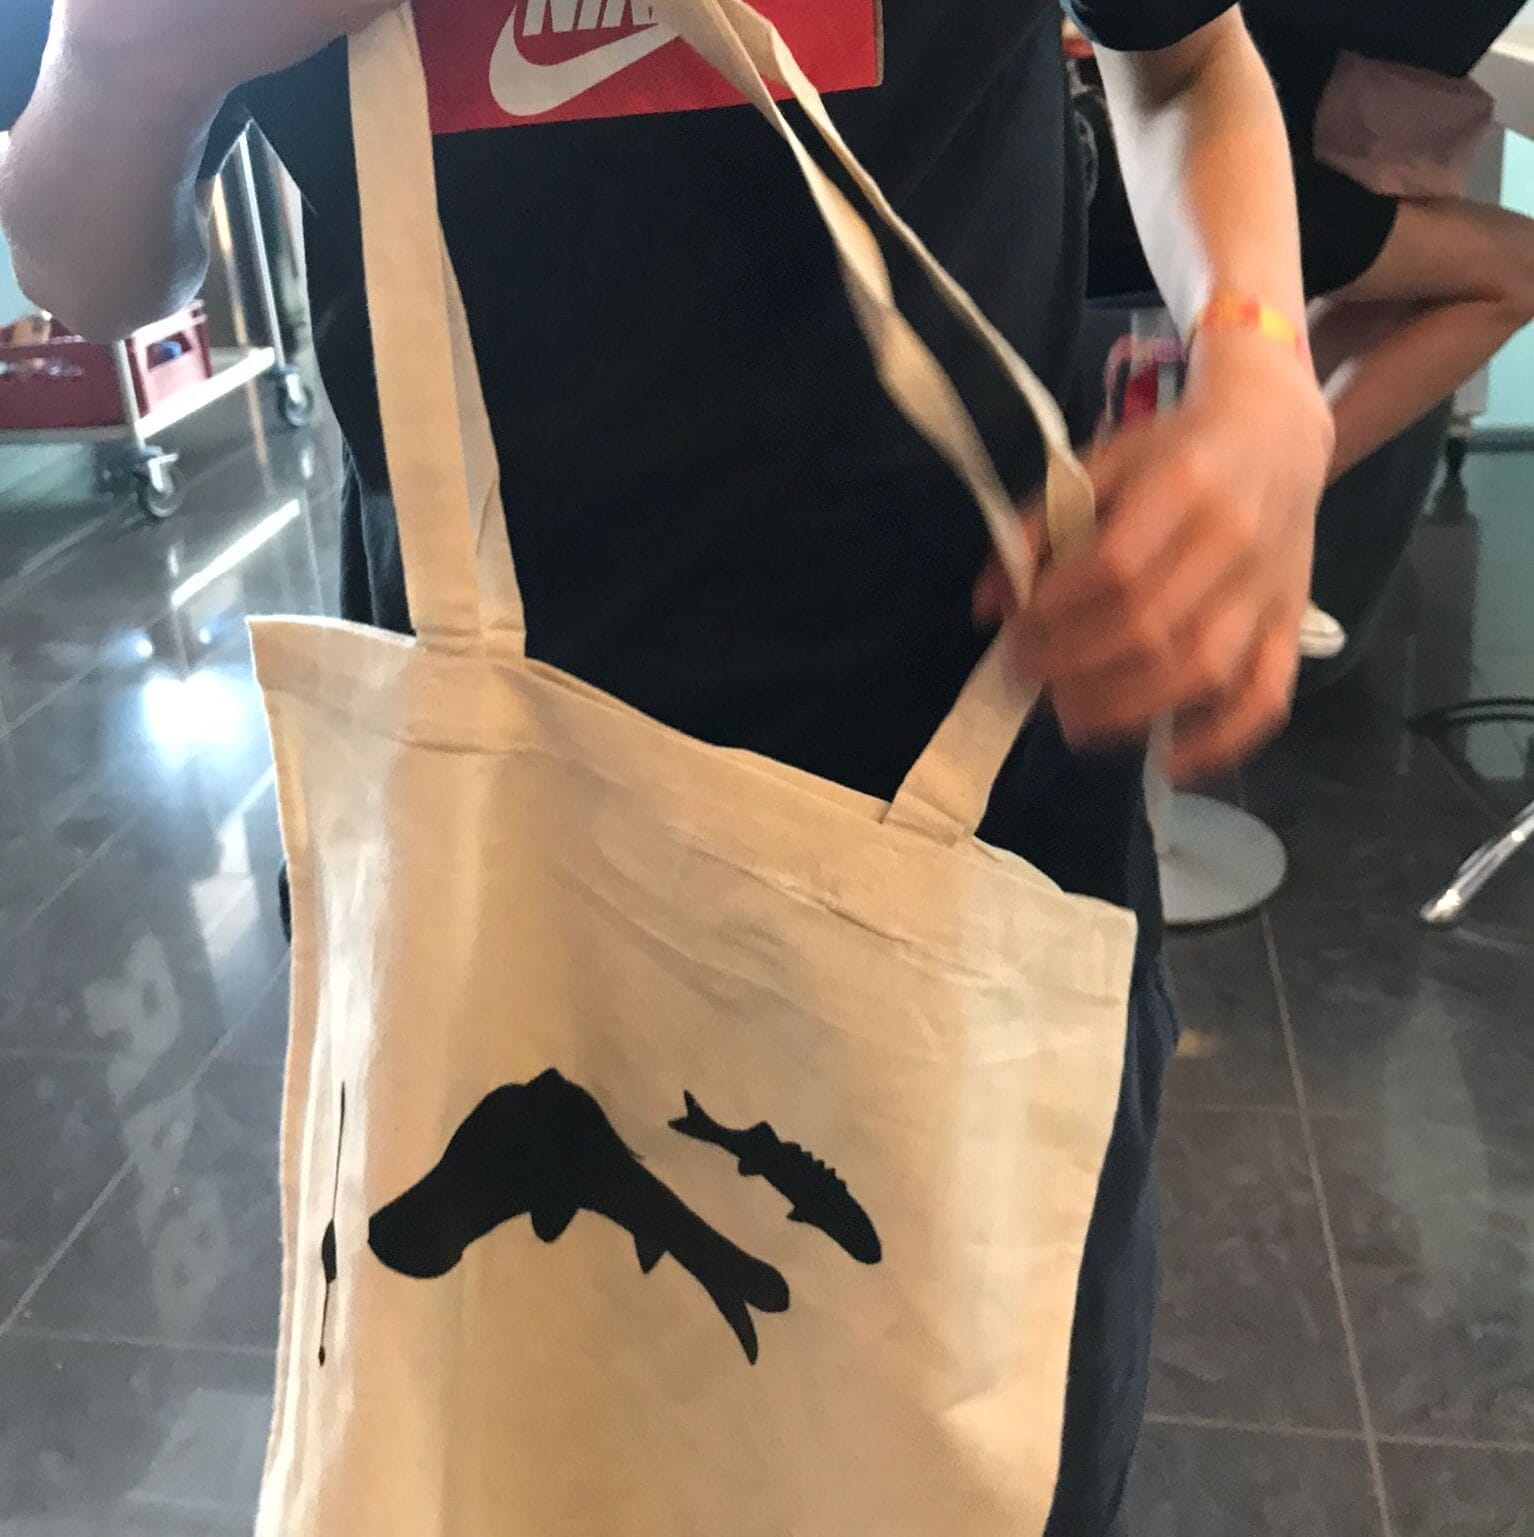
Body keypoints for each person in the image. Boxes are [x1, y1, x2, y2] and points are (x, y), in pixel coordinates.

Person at [0, 1, 1331, 1530]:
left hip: (965, 844)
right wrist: (127, 64)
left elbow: (1183, 65)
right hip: (480, 881)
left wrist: (1258, 363)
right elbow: (80, 264)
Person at [1244, 8, 1534, 482]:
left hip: (1283, 127)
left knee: (1392, 289)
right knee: (1521, 268)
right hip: (1261, 153)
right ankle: (1267, 496)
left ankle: (1251, 482)